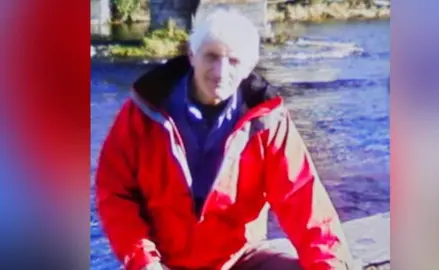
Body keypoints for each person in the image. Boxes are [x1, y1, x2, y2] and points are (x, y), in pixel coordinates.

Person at [95, 8, 353, 270]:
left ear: (250, 66)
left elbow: (303, 198)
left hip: (239, 259)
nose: (221, 72)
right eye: (212, 57)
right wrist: (142, 260)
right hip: (162, 262)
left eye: (234, 61)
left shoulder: (267, 121)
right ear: (192, 55)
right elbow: (114, 191)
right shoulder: (145, 110)